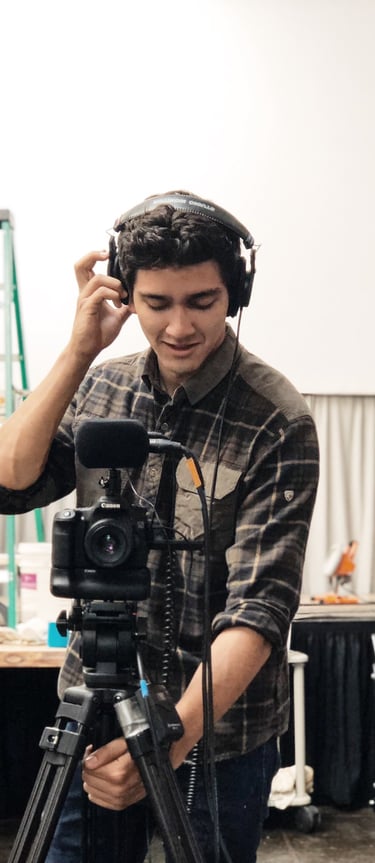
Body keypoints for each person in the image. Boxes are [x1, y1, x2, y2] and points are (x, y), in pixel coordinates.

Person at [0, 191, 319, 862]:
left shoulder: (277, 419)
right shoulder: (101, 387)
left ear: (236, 294)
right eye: (156, 303)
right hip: (93, 712)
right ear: (127, 295)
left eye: (201, 301)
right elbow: (12, 478)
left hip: (218, 739)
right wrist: (78, 349)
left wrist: (170, 739)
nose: (179, 326)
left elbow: (259, 608)